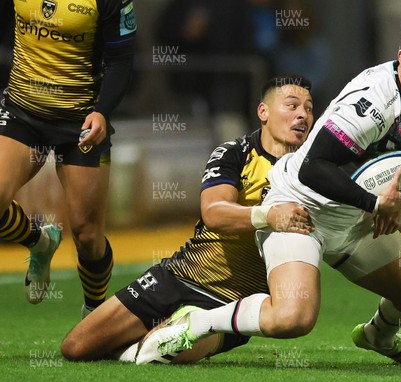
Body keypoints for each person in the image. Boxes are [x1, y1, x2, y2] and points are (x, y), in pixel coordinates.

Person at [135, 15, 401, 366]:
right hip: (302, 207)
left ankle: (379, 336)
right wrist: (376, 203)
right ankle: (197, 322)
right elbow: (314, 166)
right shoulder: (371, 103)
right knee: (293, 318)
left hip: (352, 214)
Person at [60, 75, 315, 362]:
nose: (302, 115)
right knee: (75, 348)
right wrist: (267, 215)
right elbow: (215, 213)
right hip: (180, 276)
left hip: (230, 306)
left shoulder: (312, 174)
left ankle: (168, 335)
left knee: (157, 357)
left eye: (308, 108)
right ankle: (142, 345)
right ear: (263, 112)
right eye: (292, 106)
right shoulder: (235, 153)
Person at [0, 1, 137, 315]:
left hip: (80, 123)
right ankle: (39, 241)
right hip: (21, 113)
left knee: (87, 234)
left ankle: (94, 313)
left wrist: (103, 112)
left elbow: (121, 60)